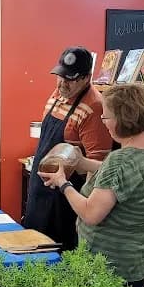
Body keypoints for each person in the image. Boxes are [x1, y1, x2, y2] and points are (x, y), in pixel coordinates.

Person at [39, 84, 144, 287]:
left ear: (124, 119)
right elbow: (127, 177)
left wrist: (63, 183)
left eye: (106, 117)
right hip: (139, 255)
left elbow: (91, 214)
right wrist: (85, 163)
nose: (104, 123)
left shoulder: (120, 160)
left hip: (111, 261)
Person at [23, 46, 112, 250]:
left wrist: (86, 212)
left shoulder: (94, 107)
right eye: (60, 76)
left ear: (86, 77)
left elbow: (98, 166)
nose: (62, 83)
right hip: (40, 191)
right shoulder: (58, 93)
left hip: (64, 201)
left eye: (70, 78)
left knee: (57, 260)